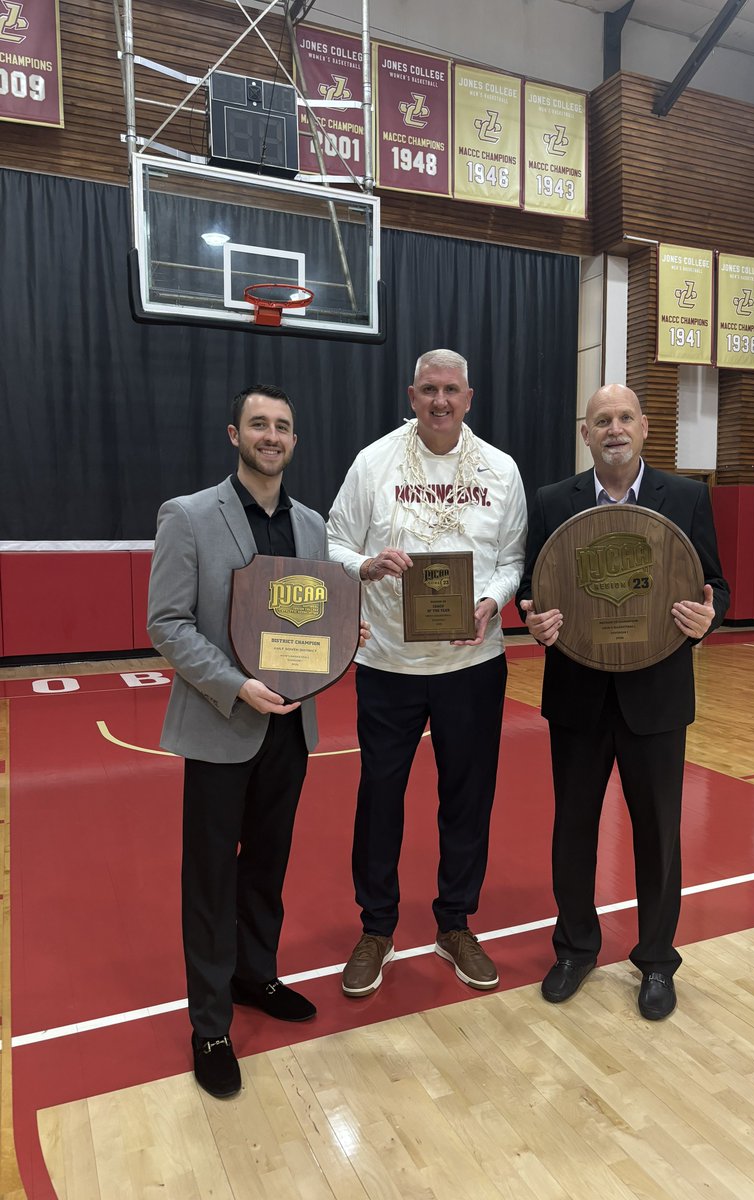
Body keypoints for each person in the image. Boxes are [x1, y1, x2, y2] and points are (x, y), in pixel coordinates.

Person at [148, 384, 363, 1100]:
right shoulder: (187, 517)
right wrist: (235, 686)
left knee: (267, 865)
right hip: (221, 723)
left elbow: (309, 620)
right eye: (259, 425)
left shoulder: (311, 524)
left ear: (294, 443)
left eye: (284, 427)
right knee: (210, 879)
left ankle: (254, 974)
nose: (272, 435)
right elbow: (169, 625)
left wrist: (342, 639)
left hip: (289, 727)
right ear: (234, 435)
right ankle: (209, 1024)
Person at [517, 383, 729, 1019]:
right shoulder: (555, 500)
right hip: (578, 695)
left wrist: (706, 618)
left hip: (656, 697)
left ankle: (658, 960)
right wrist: (533, 618)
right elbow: (534, 585)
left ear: (643, 429)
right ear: (586, 434)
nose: (614, 428)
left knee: (660, 833)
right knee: (574, 829)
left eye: (624, 418)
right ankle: (576, 947)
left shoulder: (687, 497)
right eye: (601, 419)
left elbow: (714, 582)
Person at [326, 349, 527, 997]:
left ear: (471, 397)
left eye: (452, 390)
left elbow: (512, 557)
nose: (441, 401)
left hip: (473, 662)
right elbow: (332, 539)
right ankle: (377, 928)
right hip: (387, 662)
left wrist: (495, 599)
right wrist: (364, 566)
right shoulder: (373, 462)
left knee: (466, 799)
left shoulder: (500, 469)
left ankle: (455, 924)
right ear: (412, 396)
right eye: (429, 390)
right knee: (380, 797)